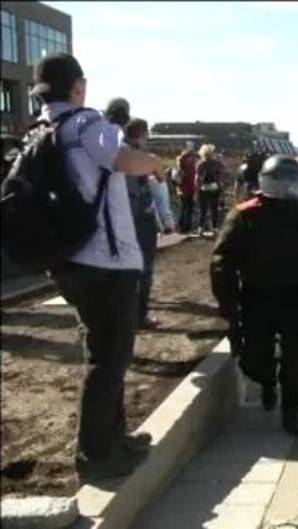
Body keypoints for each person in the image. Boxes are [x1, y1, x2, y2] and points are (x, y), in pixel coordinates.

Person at [35, 53, 165, 480]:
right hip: (107, 261)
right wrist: (153, 163)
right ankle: (95, 454)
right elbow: (125, 161)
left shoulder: (43, 130)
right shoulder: (87, 124)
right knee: (111, 358)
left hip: (69, 259)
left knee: (106, 353)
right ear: (77, 87)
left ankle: (115, 438)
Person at [211, 155, 298, 435]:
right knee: (253, 358)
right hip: (256, 296)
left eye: (290, 184)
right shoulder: (245, 214)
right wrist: (228, 303)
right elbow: (222, 261)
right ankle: (266, 382)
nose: (285, 190)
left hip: (297, 298)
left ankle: (291, 412)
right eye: (280, 183)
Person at [123, 118, 162, 329]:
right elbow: (154, 186)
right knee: (144, 270)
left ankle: (128, 314)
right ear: (142, 134)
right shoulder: (140, 158)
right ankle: (140, 315)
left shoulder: (115, 150)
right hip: (139, 220)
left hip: (121, 221)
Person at [195, 144, 224, 237]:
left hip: (203, 188)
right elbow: (220, 177)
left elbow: (197, 179)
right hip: (215, 187)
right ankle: (215, 229)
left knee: (203, 209)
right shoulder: (217, 163)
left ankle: (200, 229)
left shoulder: (200, 164)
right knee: (214, 209)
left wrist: (197, 190)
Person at [175, 147, 198, 234]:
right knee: (189, 209)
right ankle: (187, 228)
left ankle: (180, 226)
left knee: (183, 208)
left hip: (181, 190)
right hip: (190, 190)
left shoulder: (180, 164)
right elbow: (193, 178)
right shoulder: (191, 165)